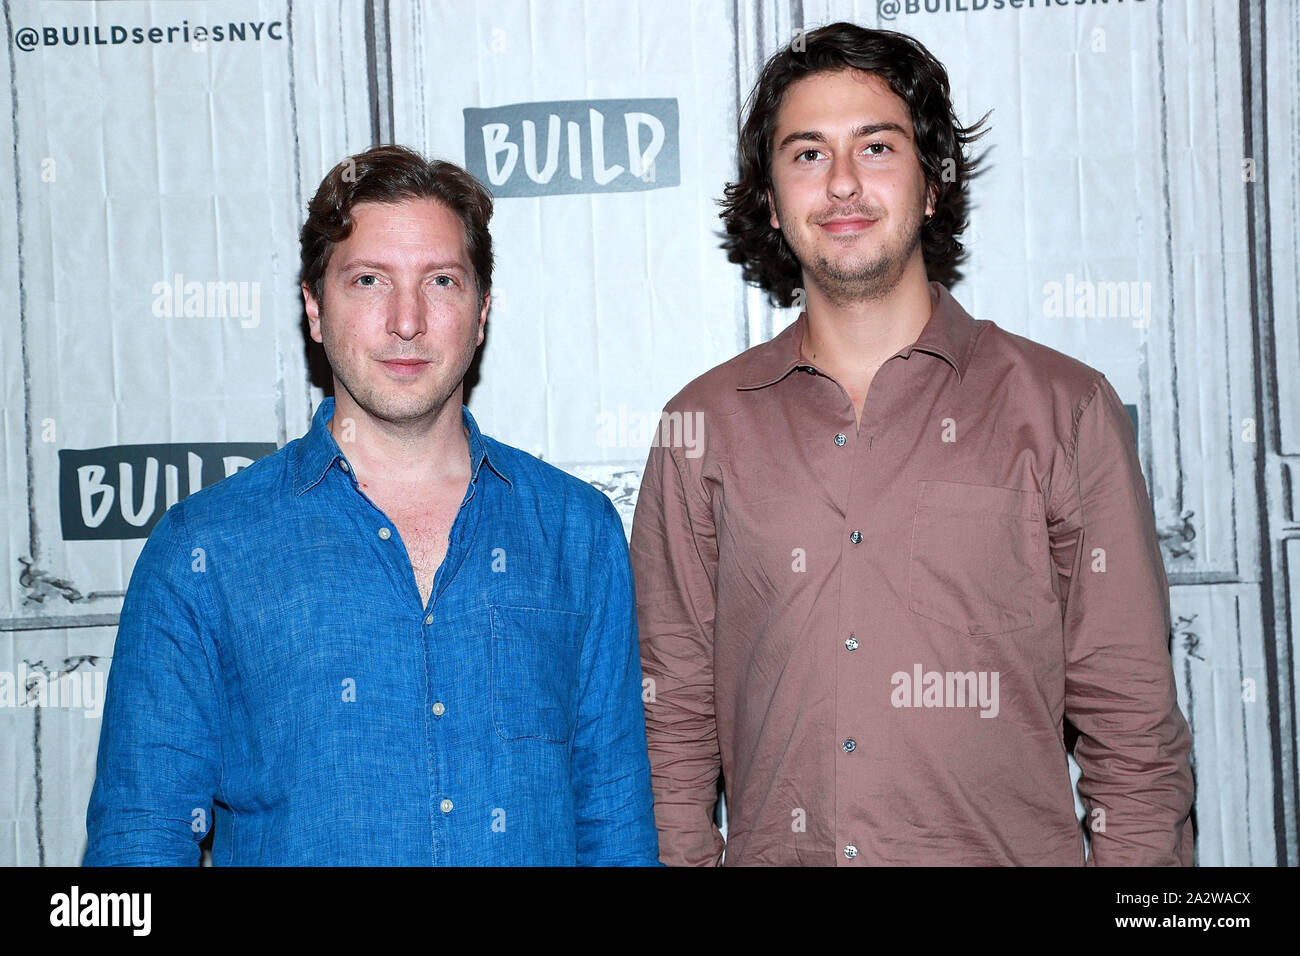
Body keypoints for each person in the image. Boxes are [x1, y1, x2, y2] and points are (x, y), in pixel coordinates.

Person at [630, 23, 1194, 866]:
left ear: (933, 183)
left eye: (878, 146)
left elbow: (1135, 731)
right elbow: (668, 722)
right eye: (808, 154)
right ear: (774, 203)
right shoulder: (699, 430)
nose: (845, 184)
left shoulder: (1064, 409)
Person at [85, 145, 658, 866]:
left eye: (441, 281)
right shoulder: (204, 550)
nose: (407, 320)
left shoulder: (576, 532)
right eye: (367, 280)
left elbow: (615, 828)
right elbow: (140, 840)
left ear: (481, 312)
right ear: (314, 308)